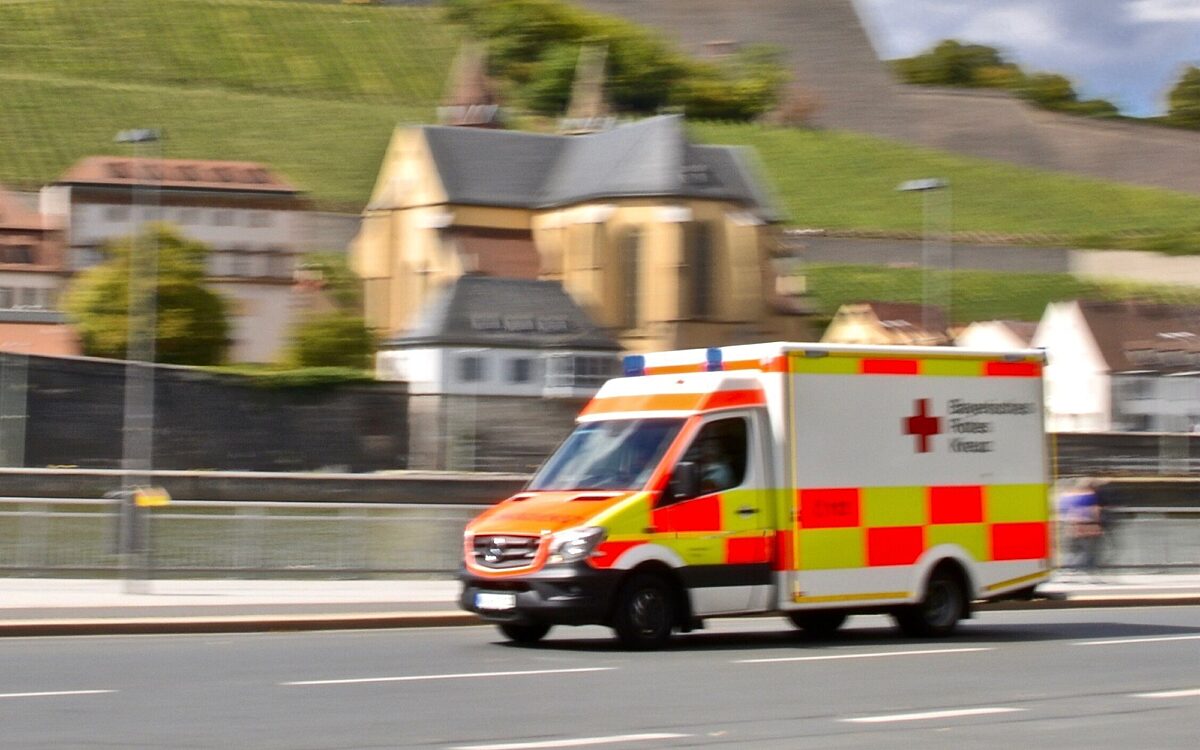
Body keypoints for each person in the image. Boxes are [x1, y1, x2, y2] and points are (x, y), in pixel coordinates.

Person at [1059, 479, 1104, 575]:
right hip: (1088, 526)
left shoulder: (1070, 496)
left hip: (1075, 526)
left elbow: (1069, 512)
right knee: (1087, 550)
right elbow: (1095, 511)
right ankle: (1087, 569)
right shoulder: (1090, 496)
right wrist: (1097, 524)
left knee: (1075, 549)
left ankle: (1070, 569)